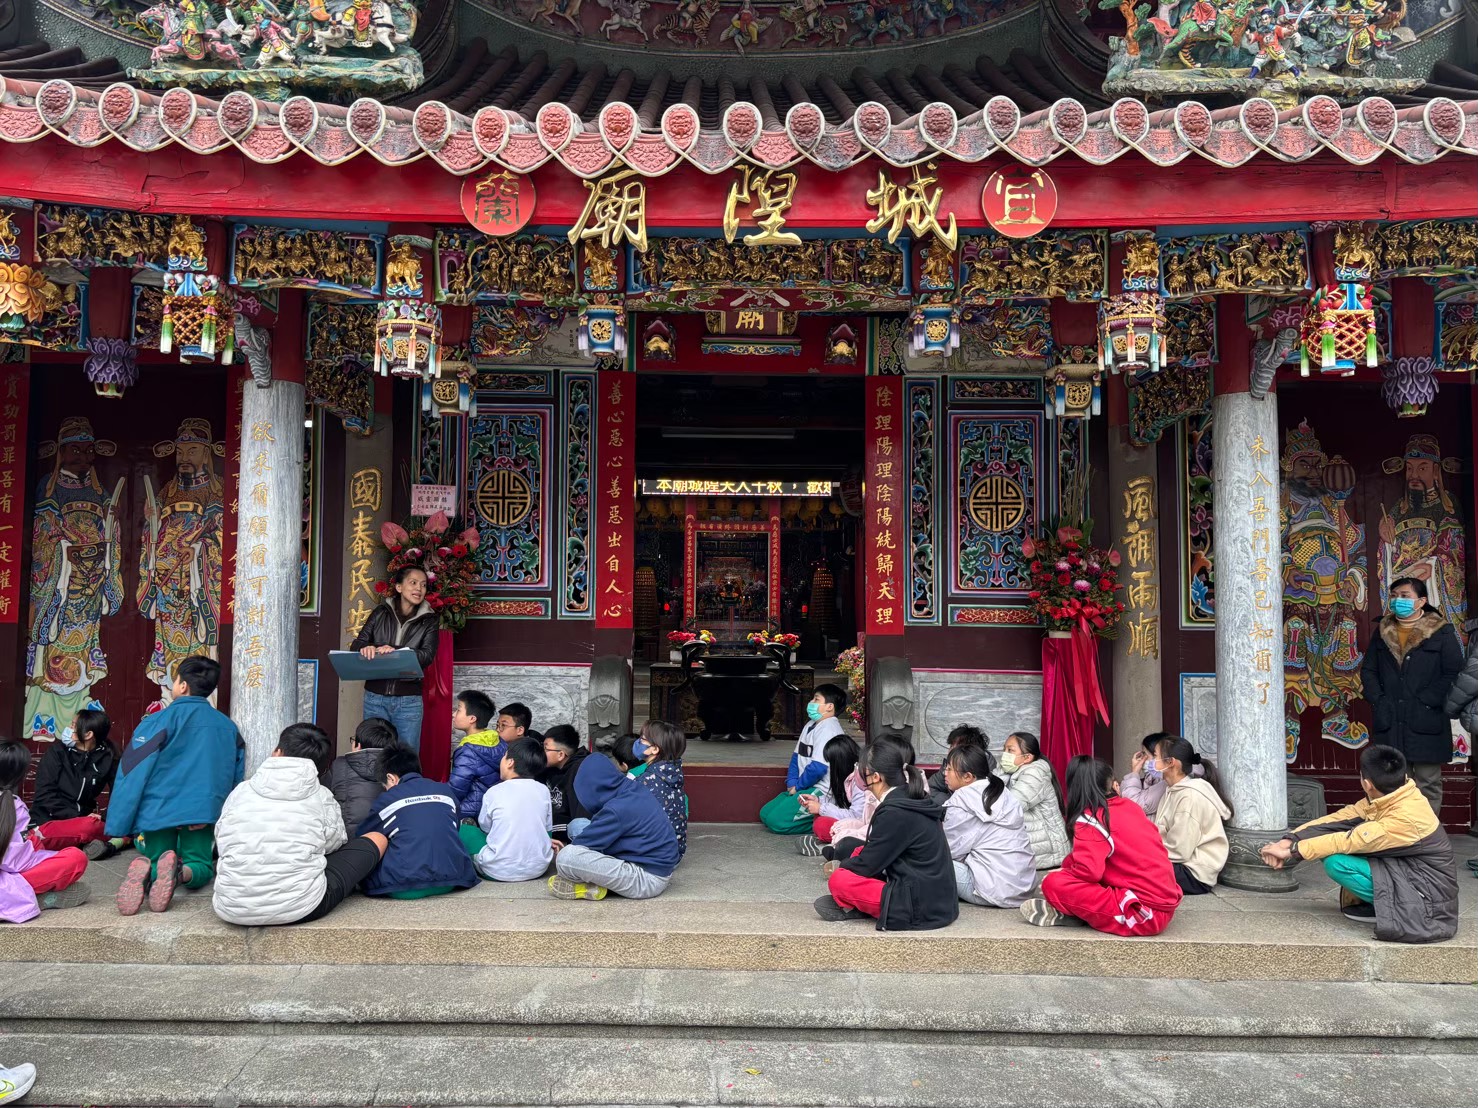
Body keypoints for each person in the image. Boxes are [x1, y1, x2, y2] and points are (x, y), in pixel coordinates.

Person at [1260, 744, 1458, 943]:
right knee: (1328, 846)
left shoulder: (1405, 818)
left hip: (1429, 901)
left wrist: (1293, 851)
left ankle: (1393, 908)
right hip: (1410, 872)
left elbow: (1349, 840)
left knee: (1336, 861)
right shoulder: (1396, 794)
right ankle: (1383, 904)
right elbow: (1341, 819)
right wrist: (1290, 839)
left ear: (1367, 783)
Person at [105, 655, 245, 916]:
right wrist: (221, 812)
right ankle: (181, 873)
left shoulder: (156, 721)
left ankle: (151, 872)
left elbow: (132, 770)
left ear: (182, 685)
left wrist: (120, 822)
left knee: (156, 853)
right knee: (200, 862)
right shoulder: (228, 728)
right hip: (202, 809)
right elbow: (235, 776)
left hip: (157, 808)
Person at [213, 723, 387, 926]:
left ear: (277, 751)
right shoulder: (322, 795)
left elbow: (221, 838)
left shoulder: (241, 791)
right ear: (320, 767)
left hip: (231, 906)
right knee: (377, 838)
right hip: (300, 907)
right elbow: (335, 843)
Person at [1019, 756, 1181, 933]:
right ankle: (1076, 912)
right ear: (1112, 784)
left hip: (1143, 913)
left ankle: (1073, 912)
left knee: (1053, 883)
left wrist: (1064, 875)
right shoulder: (1130, 806)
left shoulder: (1091, 819)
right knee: (1068, 873)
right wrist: (1067, 869)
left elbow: (1089, 872)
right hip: (1162, 903)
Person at [814, 732, 958, 929]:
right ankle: (857, 904)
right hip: (938, 901)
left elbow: (869, 865)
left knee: (840, 880)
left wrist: (843, 867)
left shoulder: (895, 811)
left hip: (920, 908)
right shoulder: (910, 796)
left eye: (863, 771)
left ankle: (859, 905)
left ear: (876, 777)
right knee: (858, 852)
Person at [1360, 575, 1462, 816]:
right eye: (1394, 596)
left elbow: (1453, 671)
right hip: (1390, 716)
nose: (1398, 601)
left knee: (1427, 782)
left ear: (1421, 601)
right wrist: (1379, 699)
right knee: (1392, 784)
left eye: (1405, 596)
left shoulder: (1441, 631)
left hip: (1426, 717)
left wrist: (1428, 700)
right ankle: (1396, 831)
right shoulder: (1383, 631)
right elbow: (1369, 670)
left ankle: (1426, 832)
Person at [548, 752, 679, 901]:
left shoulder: (617, 810)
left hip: (647, 878)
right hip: (647, 858)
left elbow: (579, 847)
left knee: (566, 858)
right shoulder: (631, 788)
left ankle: (591, 886)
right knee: (577, 826)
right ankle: (599, 881)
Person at [359, 744, 479, 900]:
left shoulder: (387, 799)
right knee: (467, 830)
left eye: (385, 786)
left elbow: (365, 839)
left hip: (401, 886)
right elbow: (454, 827)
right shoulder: (445, 791)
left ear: (391, 778)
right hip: (451, 881)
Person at [349, 565, 439, 750]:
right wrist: (369, 648)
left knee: (406, 755)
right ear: (399, 587)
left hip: (408, 700)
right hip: (375, 697)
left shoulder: (429, 620)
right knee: (372, 752)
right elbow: (357, 645)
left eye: (423, 585)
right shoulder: (380, 613)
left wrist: (395, 651)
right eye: (413, 583)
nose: (419, 588)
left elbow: (427, 655)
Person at [2, 739, 91, 922]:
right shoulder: (13, 806)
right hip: (9, 878)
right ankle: (31, 895)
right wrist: (33, 842)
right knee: (75, 858)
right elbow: (13, 862)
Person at [942, 744, 1035, 909]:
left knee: (926, 858)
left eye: (949, 769)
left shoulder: (962, 799)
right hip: (1022, 888)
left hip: (991, 891)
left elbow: (949, 849)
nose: (945, 773)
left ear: (967, 777)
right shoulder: (1001, 791)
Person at [26, 708, 119, 857]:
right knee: (89, 827)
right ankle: (110, 842)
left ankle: (95, 841)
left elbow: (120, 794)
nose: (69, 728)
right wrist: (78, 816)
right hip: (49, 820)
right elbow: (44, 795)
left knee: (118, 823)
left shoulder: (108, 757)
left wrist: (103, 816)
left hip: (82, 822)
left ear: (88, 734)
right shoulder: (57, 752)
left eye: (74, 725)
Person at [760, 683, 847, 834]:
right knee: (765, 814)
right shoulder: (811, 724)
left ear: (829, 707)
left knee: (777, 822)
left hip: (820, 790)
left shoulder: (829, 729)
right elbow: (796, 757)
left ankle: (828, 822)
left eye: (816, 699)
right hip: (804, 786)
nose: (811, 703)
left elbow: (818, 768)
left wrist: (798, 787)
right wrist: (792, 784)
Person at [1150, 735, 1232, 895]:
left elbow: (1180, 850)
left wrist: (1148, 854)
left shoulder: (1190, 796)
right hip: (1178, 862)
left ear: (1171, 762)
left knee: (1134, 870)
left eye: (1155, 756)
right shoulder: (1172, 790)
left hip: (1194, 873)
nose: (1152, 762)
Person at [467, 737, 553, 882]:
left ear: (510, 762)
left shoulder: (494, 792)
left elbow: (486, 827)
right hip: (539, 869)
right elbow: (547, 829)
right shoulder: (543, 790)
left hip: (496, 871)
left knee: (465, 830)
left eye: (504, 756)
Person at [999, 731, 1069, 870]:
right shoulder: (1010, 771)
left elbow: (1009, 806)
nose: (1005, 754)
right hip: (1032, 849)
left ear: (1027, 757)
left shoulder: (1035, 774)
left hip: (1047, 854)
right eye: (1004, 749)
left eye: (1010, 750)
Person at [328, 717, 397, 839]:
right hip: (386, 840)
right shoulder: (399, 770)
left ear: (358, 745)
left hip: (347, 840)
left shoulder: (340, 765)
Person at [795, 734, 862, 856]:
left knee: (821, 825)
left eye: (831, 762)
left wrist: (821, 808)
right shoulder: (847, 777)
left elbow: (856, 816)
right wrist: (818, 800)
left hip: (862, 826)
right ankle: (827, 843)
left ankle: (825, 846)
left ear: (841, 762)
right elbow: (838, 802)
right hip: (850, 823)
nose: (829, 767)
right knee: (818, 818)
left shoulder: (860, 782)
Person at [633, 720, 688, 858]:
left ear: (655, 749)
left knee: (581, 826)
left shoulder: (646, 781)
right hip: (674, 853)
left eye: (642, 739)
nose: (637, 742)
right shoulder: (674, 774)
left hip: (652, 856)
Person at [448, 690, 504, 824]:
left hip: (471, 812)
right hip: (492, 807)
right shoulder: (497, 741)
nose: (453, 714)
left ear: (472, 719)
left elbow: (455, 791)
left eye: (458, 710)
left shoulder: (468, 752)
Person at [539, 724, 589, 843]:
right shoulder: (549, 768)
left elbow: (580, 822)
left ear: (561, 754)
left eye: (546, 748)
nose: (541, 753)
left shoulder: (581, 771)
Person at [926, 725, 989, 804]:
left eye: (956, 748)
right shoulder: (949, 765)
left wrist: (953, 802)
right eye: (951, 746)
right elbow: (930, 787)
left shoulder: (987, 773)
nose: (950, 751)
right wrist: (949, 801)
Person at [1119, 731, 1176, 816]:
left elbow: (1134, 804)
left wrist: (1135, 772)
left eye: (1145, 754)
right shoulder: (1154, 778)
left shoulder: (1168, 782)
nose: (1142, 758)